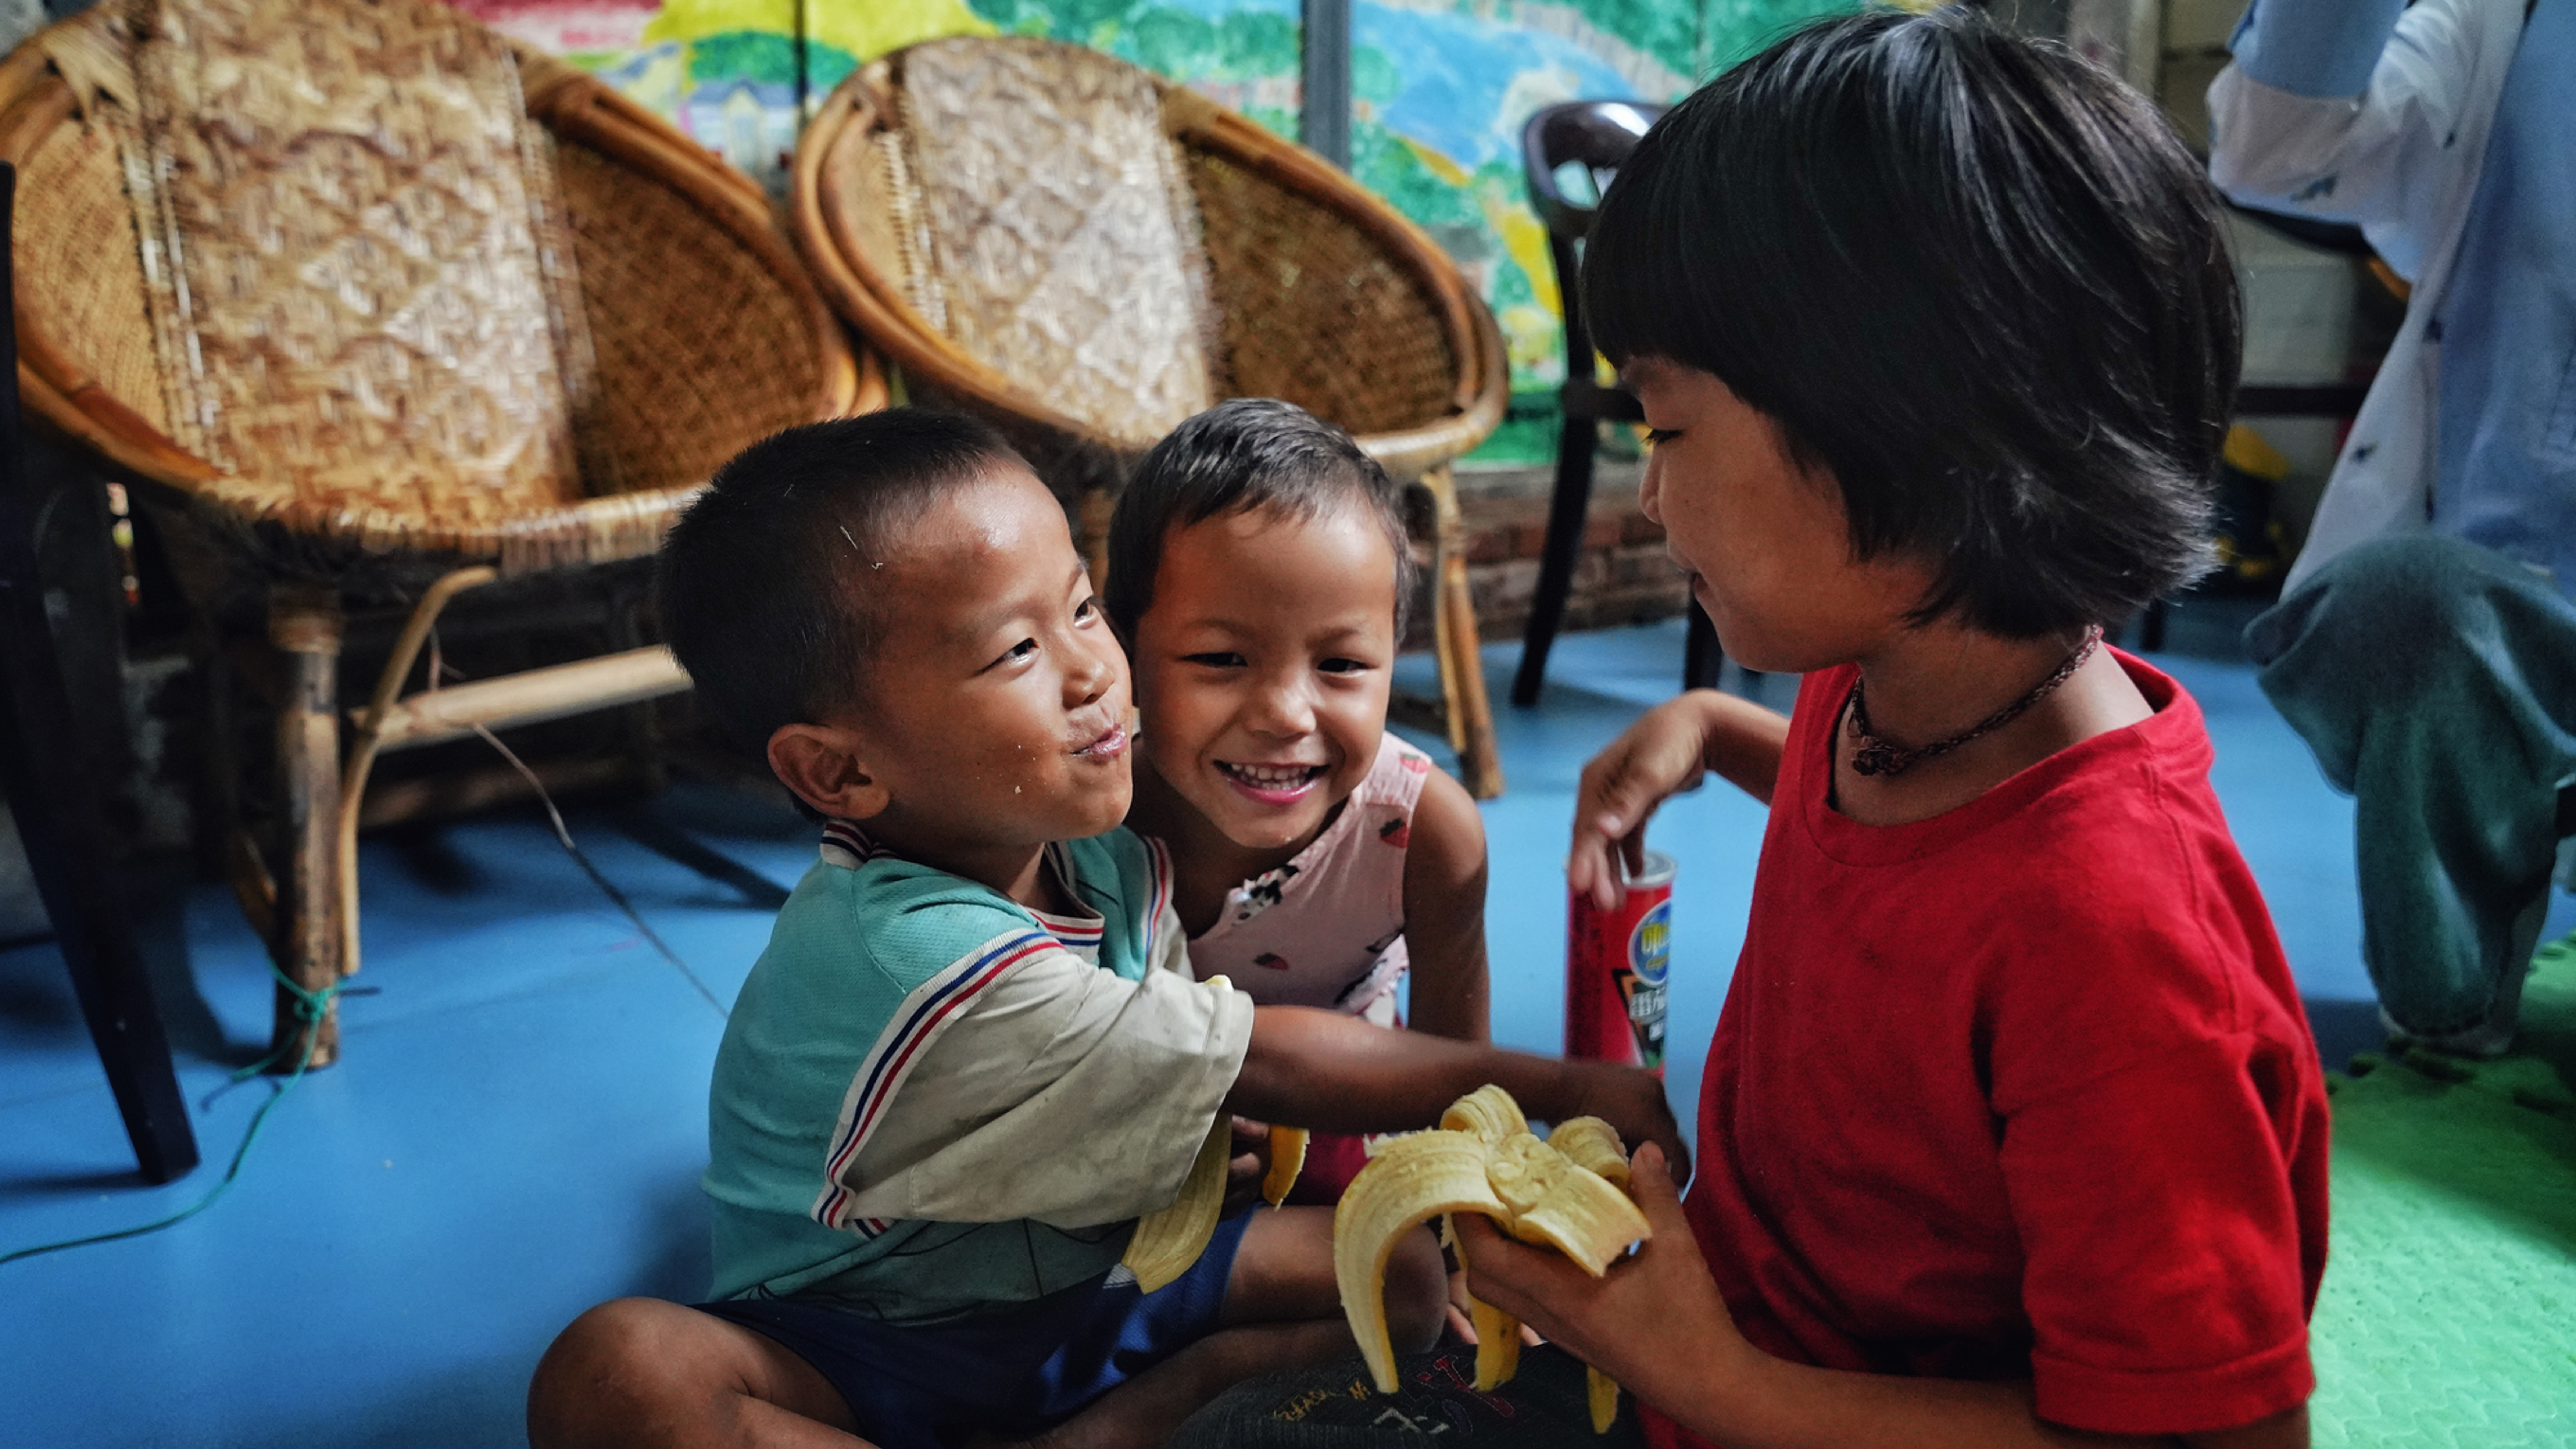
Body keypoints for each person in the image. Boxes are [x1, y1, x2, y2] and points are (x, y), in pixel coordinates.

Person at [1170, 11, 2326, 1448]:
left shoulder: (2122, 948)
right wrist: (1717, 729)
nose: (1652, 497)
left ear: (1904, 431)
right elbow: (1936, 883)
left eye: (1666, 429)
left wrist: (1709, 1376)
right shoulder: (1899, 683)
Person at [523, 409, 1684, 1449]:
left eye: (1082, 608)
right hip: (867, 1335)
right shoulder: (911, 953)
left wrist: (1207, 1149)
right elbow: (1261, 1054)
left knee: (1403, 1276)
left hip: (1089, 1287)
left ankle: (1108, 1427)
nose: (1093, 669)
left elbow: (1172, 1066)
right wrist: (1564, 1081)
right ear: (841, 769)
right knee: (619, 1369)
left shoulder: (1105, 854)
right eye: (1017, 649)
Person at [2207, 0, 2574, 1056]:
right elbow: (2275, 149)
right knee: (2402, 600)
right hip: (2518, 627)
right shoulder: (2515, 25)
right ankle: (2449, 1002)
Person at [1107, 398, 1491, 1208]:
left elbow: (1462, 1093)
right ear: (1124, 653)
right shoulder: (1087, 824)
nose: (1286, 714)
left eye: (1342, 665)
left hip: (1356, 1116)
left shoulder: (1424, 833)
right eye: (1221, 658)